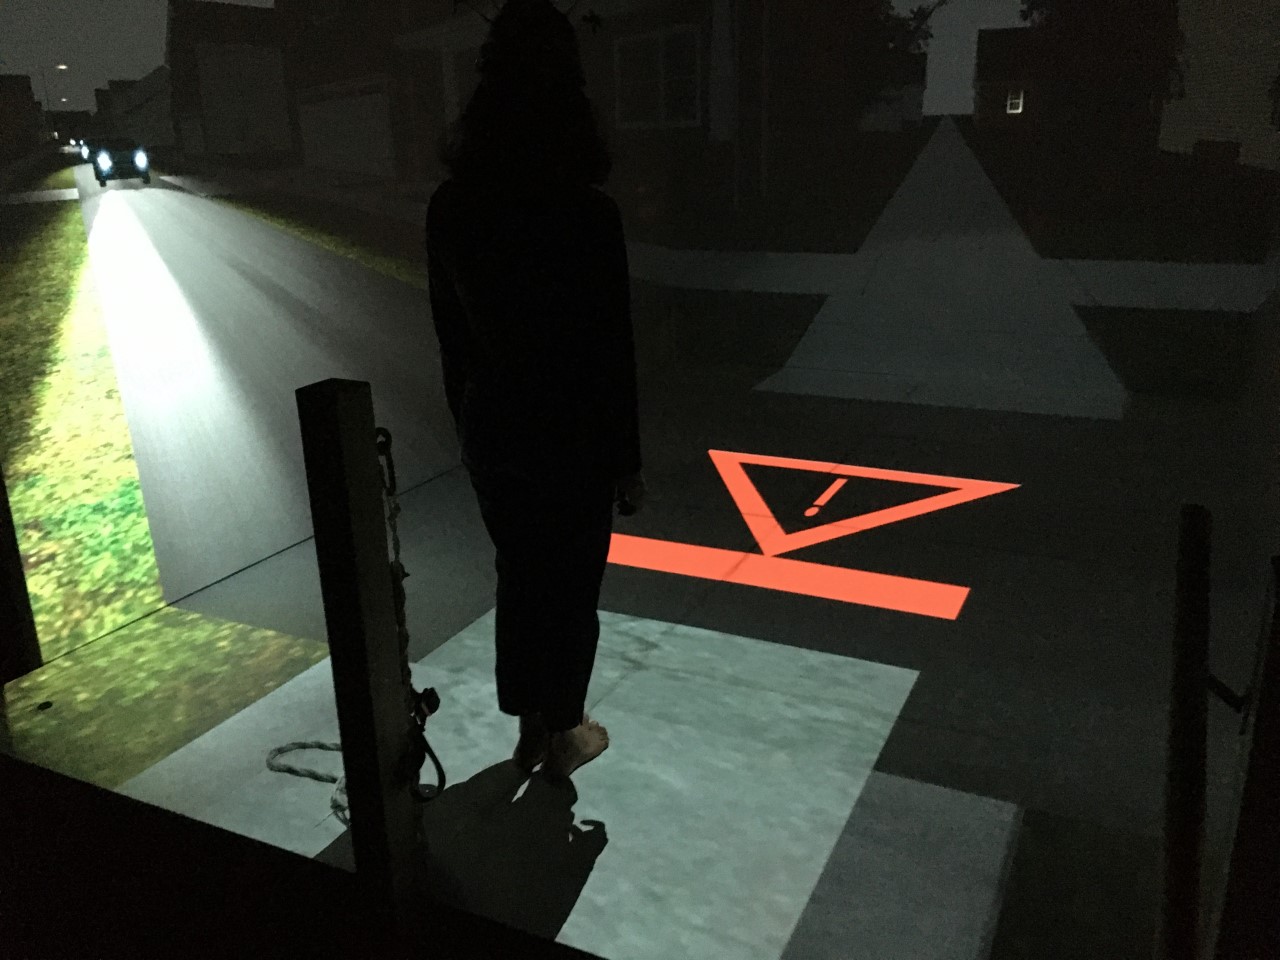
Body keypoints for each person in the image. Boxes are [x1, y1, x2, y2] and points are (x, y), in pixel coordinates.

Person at [426, 0, 645, 783]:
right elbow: (611, 349)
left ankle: (527, 732)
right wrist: (626, 460)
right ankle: (562, 734)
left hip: (497, 430)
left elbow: (452, 340)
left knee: (520, 575)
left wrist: (470, 429)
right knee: (571, 587)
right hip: (576, 434)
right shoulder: (588, 213)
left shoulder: (453, 208)